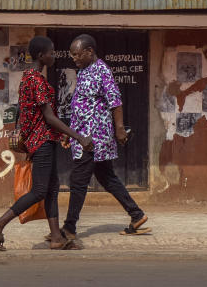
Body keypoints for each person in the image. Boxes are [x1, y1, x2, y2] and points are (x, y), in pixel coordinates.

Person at [0, 36, 92, 251]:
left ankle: (56, 238)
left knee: (51, 189)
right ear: (41, 56)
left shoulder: (31, 78)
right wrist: (77, 136)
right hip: (41, 141)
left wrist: (60, 136)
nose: (54, 56)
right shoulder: (35, 79)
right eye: (51, 52)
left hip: (44, 140)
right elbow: (49, 117)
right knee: (40, 190)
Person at [61, 34, 148, 240]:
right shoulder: (83, 71)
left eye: (77, 54)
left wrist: (119, 128)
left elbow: (115, 101)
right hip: (82, 134)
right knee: (106, 177)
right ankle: (136, 215)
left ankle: (69, 228)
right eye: (72, 55)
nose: (74, 58)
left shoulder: (102, 70)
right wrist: (70, 133)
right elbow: (80, 106)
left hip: (94, 137)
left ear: (89, 51)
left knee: (79, 181)